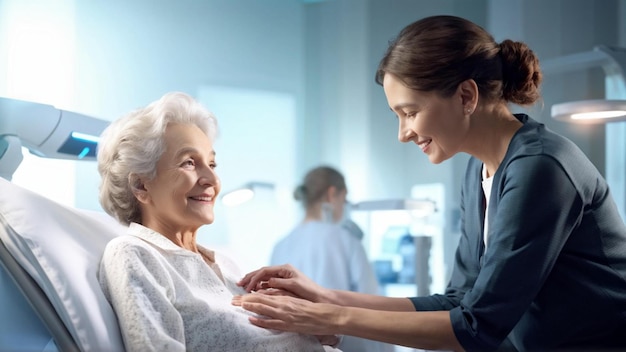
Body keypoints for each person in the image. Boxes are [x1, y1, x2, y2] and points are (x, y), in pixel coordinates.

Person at [232, 15, 626, 351]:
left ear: (466, 96)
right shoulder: (481, 170)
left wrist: (328, 316)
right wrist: (325, 296)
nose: (403, 133)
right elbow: (456, 301)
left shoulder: (540, 167)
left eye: (410, 112)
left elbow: (476, 326)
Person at [96, 92, 341, 351]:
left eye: (212, 164)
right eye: (189, 163)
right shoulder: (134, 254)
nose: (212, 180)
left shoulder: (227, 263)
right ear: (140, 185)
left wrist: (316, 324)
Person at [270, 166, 393, 352]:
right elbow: (373, 306)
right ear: (332, 194)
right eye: (344, 200)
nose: (344, 207)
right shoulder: (346, 239)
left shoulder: (280, 245)